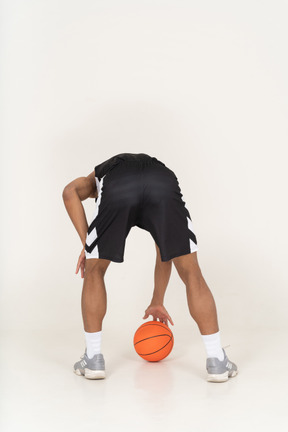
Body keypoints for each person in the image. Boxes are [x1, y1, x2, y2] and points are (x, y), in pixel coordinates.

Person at [62, 152, 238, 382]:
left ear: (96, 190)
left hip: (120, 184)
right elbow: (164, 251)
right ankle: (217, 361)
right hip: (162, 182)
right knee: (191, 272)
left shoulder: (99, 177)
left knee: (95, 270)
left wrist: (88, 247)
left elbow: (69, 192)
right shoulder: (150, 169)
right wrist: (157, 300)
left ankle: (93, 359)